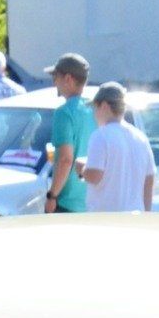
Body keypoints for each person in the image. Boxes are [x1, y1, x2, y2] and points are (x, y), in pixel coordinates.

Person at [82, 82, 155, 212]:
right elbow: (149, 179)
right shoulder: (141, 137)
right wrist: (147, 214)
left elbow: (94, 175)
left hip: (106, 217)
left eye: (95, 108)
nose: (94, 114)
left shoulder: (100, 136)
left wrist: (81, 169)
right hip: (134, 217)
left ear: (104, 106)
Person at [43, 52, 93, 214]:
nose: (54, 82)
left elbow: (65, 159)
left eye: (55, 76)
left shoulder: (64, 113)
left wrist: (52, 196)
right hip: (92, 201)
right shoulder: (95, 110)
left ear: (68, 79)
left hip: (68, 202)